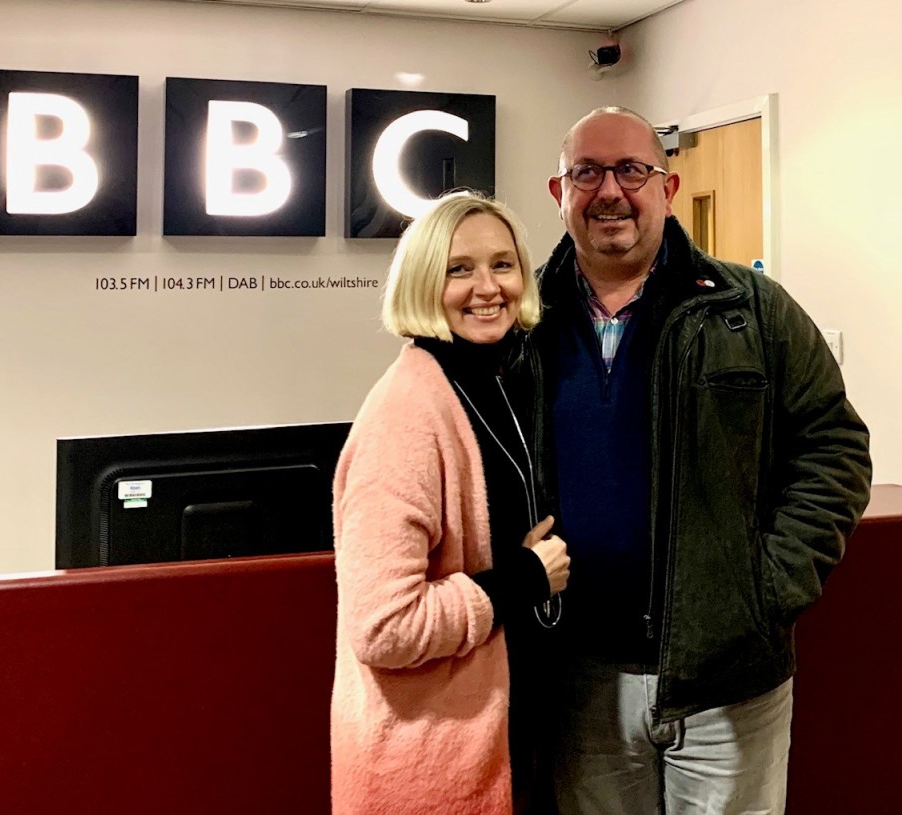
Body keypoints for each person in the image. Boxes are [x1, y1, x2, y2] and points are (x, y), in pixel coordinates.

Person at [533, 106, 872, 814]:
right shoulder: (520, 321)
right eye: (586, 172)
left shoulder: (752, 310)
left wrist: (767, 590)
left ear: (669, 187)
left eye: (633, 169)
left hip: (729, 677)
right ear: (558, 192)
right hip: (578, 674)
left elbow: (833, 446)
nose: (610, 191)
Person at [331, 191, 571, 815]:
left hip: (512, 736)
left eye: (502, 264)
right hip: (430, 761)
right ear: (421, 283)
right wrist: (523, 579)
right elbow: (384, 626)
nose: (487, 287)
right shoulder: (405, 416)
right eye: (458, 269)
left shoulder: (500, 379)